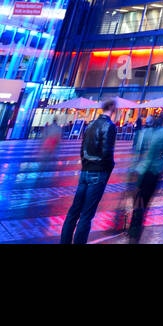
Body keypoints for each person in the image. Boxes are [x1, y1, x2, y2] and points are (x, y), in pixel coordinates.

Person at [61, 98, 118, 244]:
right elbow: (107, 153)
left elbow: (82, 149)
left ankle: (65, 241)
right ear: (112, 108)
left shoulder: (91, 124)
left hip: (85, 171)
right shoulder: (109, 126)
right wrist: (109, 168)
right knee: (87, 214)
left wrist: (85, 165)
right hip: (98, 172)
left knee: (74, 211)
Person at [128, 114, 163, 241]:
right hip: (154, 171)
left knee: (137, 201)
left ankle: (133, 229)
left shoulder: (143, 133)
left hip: (140, 170)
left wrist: (132, 170)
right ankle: (136, 232)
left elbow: (137, 151)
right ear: (162, 124)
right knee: (145, 203)